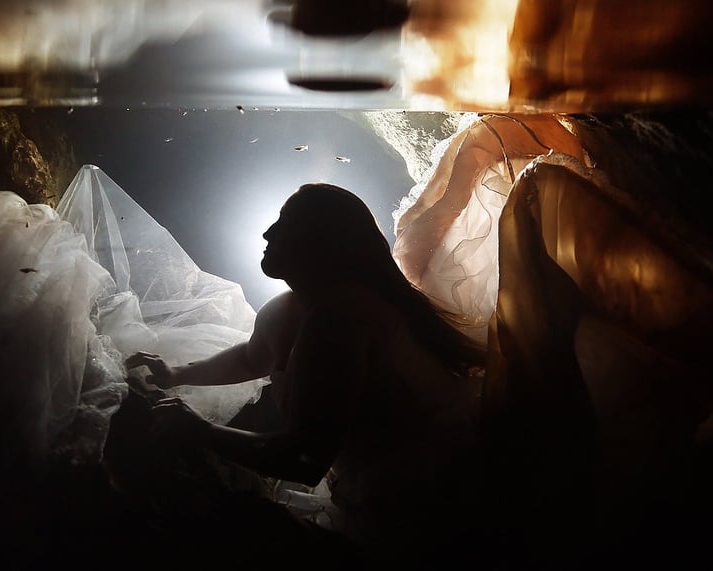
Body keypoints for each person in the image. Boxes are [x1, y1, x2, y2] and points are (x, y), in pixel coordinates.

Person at [126, 183, 486, 561]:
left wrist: (199, 430)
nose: (267, 234)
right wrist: (176, 373)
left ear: (320, 241)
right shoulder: (295, 307)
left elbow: (305, 459)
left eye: (284, 223)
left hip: (413, 509)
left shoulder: (340, 320)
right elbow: (252, 358)